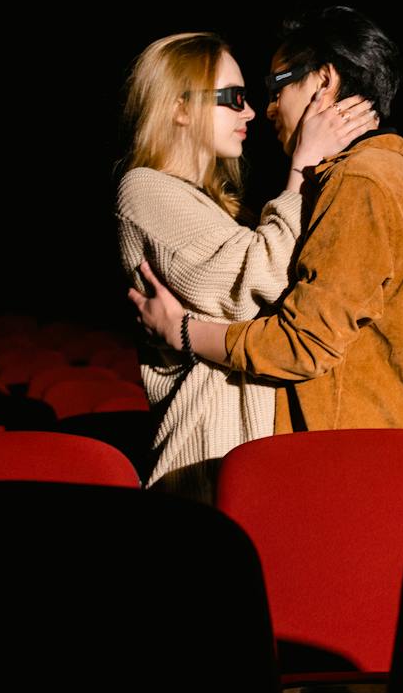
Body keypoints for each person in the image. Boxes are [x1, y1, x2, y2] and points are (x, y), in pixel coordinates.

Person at [131, 8, 403, 436]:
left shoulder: (360, 180)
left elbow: (300, 343)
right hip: (373, 455)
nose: (266, 110)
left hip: (349, 461)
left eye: (275, 86)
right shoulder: (391, 177)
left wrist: (182, 330)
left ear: (323, 82)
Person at [115, 31, 376, 495]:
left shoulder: (225, 209)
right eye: (233, 99)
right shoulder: (144, 189)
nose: (251, 112)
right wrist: (301, 167)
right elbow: (258, 278)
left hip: (254, 454)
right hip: (204, 458)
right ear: (178, 108)